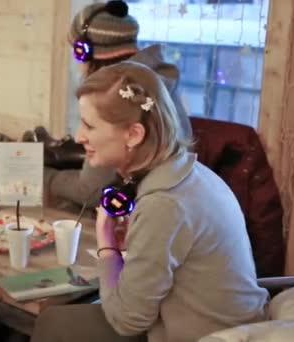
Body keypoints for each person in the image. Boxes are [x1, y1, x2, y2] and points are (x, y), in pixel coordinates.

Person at [31, 61, 269, 341]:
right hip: (225, 321)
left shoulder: (164, 204)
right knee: (60, 319)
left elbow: (127, 321)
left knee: (54, 324)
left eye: (89, 125)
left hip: (207, 335)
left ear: (133, 134)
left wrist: (106, 243)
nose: (80, 136)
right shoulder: (193, 173)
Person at [37, 0, 192, 215]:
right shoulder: (154, 81)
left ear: (86, 51)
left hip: (137, 214)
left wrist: (41, 174)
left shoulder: (118, 99)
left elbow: (89, 192)